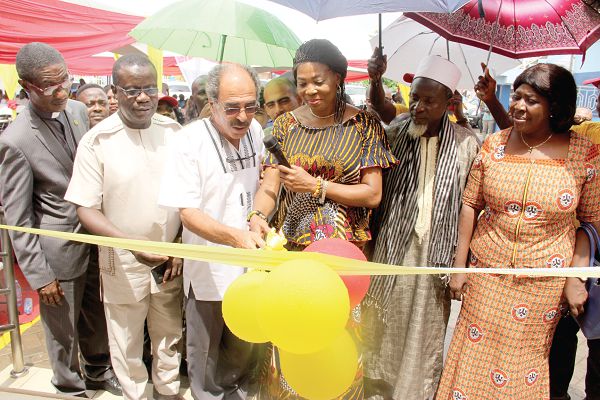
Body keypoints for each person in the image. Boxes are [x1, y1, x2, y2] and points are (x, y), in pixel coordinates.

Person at [436, 63, 598, 399]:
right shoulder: (494, 143)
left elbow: (591, 222)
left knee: (523, 365)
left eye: (531, 100)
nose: (518, 106)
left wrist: (574, 277)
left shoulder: (584, 151)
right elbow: (470, 204)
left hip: (544, 285)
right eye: (517, 97)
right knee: (472, 358)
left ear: (555, 107)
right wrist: (459, 266)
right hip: (487, 275)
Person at [248, 38, 397, 400]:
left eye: (319, 80)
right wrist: (256, 215)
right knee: (294, 328)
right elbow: (270, 185)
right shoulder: (284, 127)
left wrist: (317, 186)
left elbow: (372, 194)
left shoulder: (364, 126)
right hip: (293, 249)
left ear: (339, 78)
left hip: (342, 255)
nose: (310, 90)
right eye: (302, 82)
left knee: (338, 333)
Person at [0, 42, 119, 398]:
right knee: (61, 332)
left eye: (64, 80)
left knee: (95, 317)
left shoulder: (78, 110)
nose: (61, 91)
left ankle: (98, 371)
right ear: (27, 85)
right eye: (50, 86)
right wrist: (40, 276)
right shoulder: (16, 140)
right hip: (57, 255)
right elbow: (17, 218)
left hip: (93, 238)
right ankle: (69, 386)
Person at [65, 53, 184, 400]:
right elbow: (85, 209)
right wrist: (131, 243)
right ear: (115, 92)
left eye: (149, 88)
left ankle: (168, 392)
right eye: (132, 90)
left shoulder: (174, 133)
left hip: (170, 259)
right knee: (126, 340)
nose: (143, 97)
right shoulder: (97, 141)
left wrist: (178, 242)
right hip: (122, 260)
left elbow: (191, 195)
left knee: (169, 336)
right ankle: (135, 394)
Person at [361, 54, 480, 400]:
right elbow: (380, 109)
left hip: (437, 255)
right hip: (395, 247)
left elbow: (469, 206)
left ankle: (416, 390)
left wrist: (461, 265)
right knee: (387, 322)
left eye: (429, 100)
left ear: (448, 102)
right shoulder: (396, 133)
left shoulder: (466, 143)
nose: (418, 107)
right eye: (415, 98)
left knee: (425, 327)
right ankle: (379, 385)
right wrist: (374, 79)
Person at [159, 62, 265, 400]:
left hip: (251, 269)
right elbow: (188, 213)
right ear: (212, 103)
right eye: (232, 107)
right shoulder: (188, 141)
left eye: (251, 106)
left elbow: (263, 180)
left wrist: (258, 215)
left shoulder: (256, 131)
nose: (243, 116)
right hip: (209, 272)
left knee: (245, 348)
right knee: (206, 357)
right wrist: (236, 238)